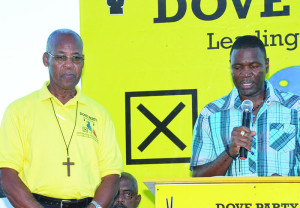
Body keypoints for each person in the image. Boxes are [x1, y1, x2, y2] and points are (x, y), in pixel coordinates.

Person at [0, 29, 123, 208]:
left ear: (83, 63)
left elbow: (112, 174)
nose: (69, 65)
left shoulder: (99, 114)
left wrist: (95, 206)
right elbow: (7, 173)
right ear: (45, 60)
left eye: (76, 58)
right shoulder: (19, 110)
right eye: (60, 57)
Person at [190, 35, 300, 177]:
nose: (246, 74)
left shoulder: (295, 108)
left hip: (283, 200)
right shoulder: (211, 114)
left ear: (266, 65)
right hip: (229, 200)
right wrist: (229, 151)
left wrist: (286, 186)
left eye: (253, 66)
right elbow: (198, 177)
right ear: (230, 67)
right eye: (238, 67)